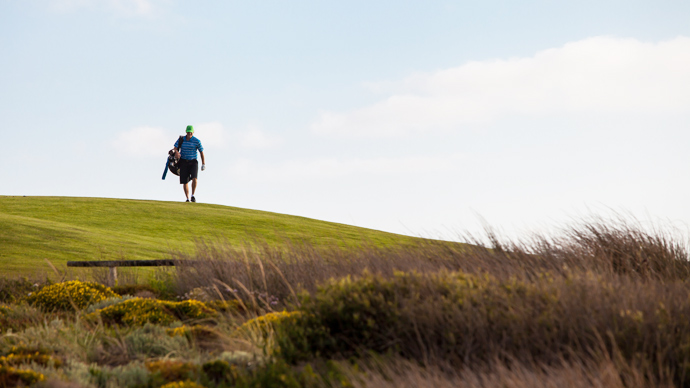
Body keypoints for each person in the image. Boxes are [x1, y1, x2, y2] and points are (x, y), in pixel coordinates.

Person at [173, 125, 206, 202]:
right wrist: (176, 152)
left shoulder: (196, 141)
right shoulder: (181, 139)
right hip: (183, 161)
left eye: (191, 132)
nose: (189, 133)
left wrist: (203, 163)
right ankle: (187, 198)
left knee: (195, 178)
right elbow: (175, 147)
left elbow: (201, 152)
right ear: (186, 132)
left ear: (193, 132)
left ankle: (192, 195)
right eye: (188, 132)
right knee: (185, 181)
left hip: (193, 161)